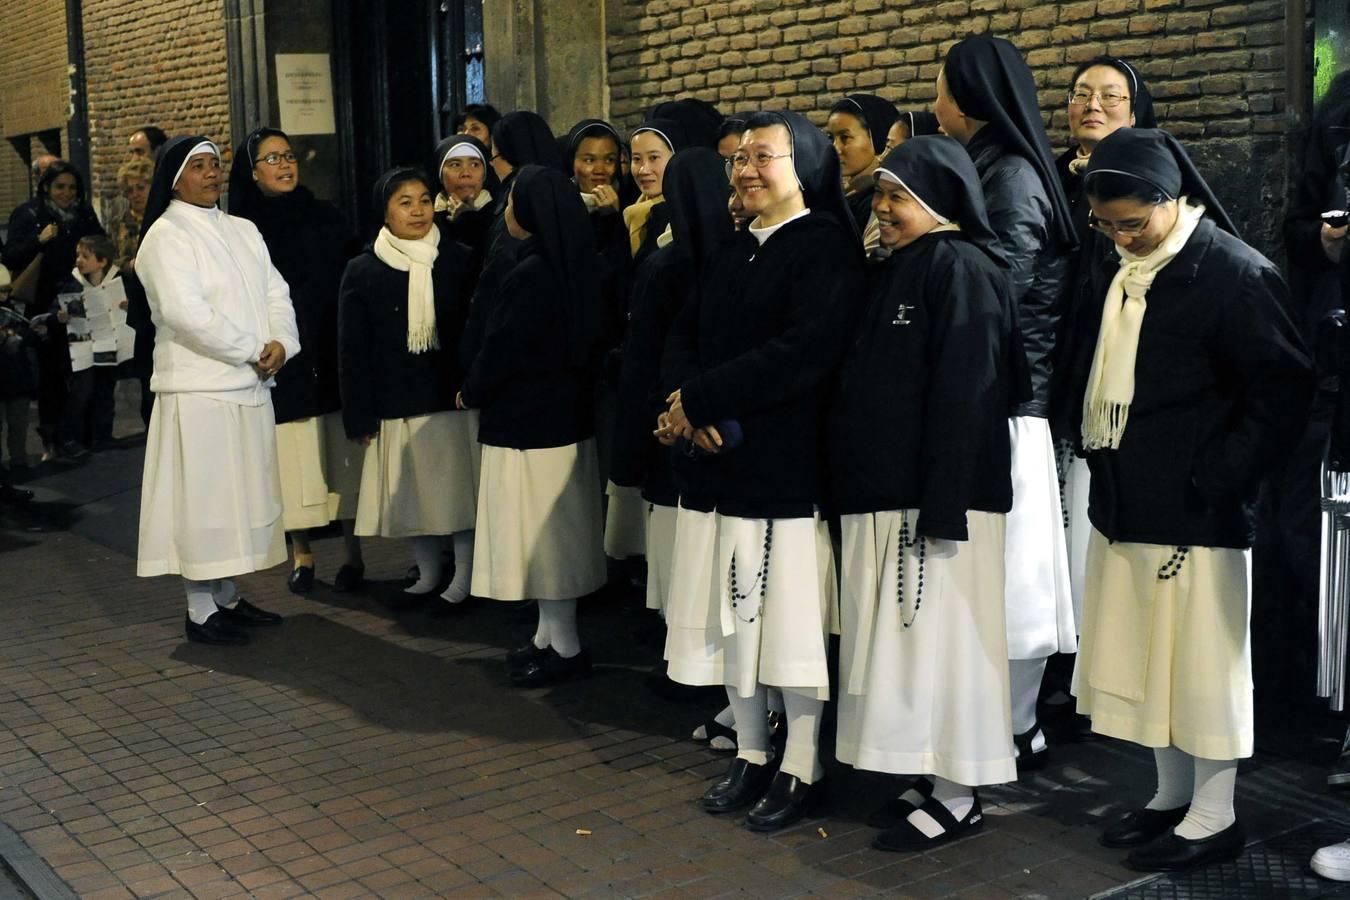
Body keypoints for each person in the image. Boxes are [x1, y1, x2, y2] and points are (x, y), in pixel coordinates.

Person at [1060, 128, 1312, 871]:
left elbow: (1284, 390)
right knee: (1148, 661)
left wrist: (1219, 477)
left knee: (1200, 667)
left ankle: (1216, 813)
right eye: (1106, 226)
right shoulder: (1128, 269)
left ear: (1176, 200)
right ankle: (1171, 795)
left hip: (1201, 511)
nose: (1120, 240)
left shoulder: (1233, 272)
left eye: (1133, 224)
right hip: (1130, 498)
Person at [659, 110, 864, 832]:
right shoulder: (733, 246)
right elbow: (683, 334)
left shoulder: (825, 249)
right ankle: (750, 750)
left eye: (762, 157)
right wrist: (685, 402)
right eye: (739, 159)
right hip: (718, 467)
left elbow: (805, 351)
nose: (745, 170)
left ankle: (802, 759)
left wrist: (705, 400)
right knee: (732, 617)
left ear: (803, 166)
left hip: (783, 467)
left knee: (789, 624)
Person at [832, 135, 1020, 852]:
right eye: (879, 196)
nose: (882, 210)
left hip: (945, 497)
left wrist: (944, 502)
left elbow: (968, 392)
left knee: (949, 647)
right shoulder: (900, 266)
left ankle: (960, 790)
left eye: (898, 198)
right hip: (893, 490)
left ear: (942, 202)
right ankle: (927, 769)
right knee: (910, 648)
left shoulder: (962, 266)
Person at [937, 33, 1078, 769]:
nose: (934, 106)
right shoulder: (996, 165)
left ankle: (1021, 722)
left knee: (1017, 577)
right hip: (992, 394)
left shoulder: (1014, 175)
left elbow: (1000, 291)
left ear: (966, 100)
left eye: (939, 89)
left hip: (1010, 401)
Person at [135, 136, 299, 646]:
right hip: (199, 390)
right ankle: (200, 609)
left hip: (249, 384)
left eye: (216, 165)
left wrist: (282, 343)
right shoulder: (166, 236)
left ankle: (226, 594)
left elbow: (276, 291)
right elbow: (187, 315)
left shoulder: (243, 229)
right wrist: (253, 346)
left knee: (238, 503)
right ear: (175, 178)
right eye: (199, 166)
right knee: (204, 504)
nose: (212, 174)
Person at [458, 165, 606, 685]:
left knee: (547, 540)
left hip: (527, 423)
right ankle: (548, 636)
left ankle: (565, 647)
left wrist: (470, 389)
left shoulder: (532, 272)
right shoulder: (569, 263)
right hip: (561, 419)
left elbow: (502, 347)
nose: (506, 209)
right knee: (553, 534)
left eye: (513, 200)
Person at [229, 127, 366, 595]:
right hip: (282, 354)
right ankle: (302, 553)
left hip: (330, 346)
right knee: (294, 454)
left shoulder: (326, 215)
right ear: (252, 172)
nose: (285, 165)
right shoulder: (241, 231)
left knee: (340, 453)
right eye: (272, 159)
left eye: (288, 155)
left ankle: (353, 553)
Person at [339, 167, 478, 607]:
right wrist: (358, 412)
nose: (418, 211)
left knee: (457, 496)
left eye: (423, 200)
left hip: (448, 397)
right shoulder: (363, 269)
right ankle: (429, 571)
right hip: (396, 399)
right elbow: (351, 348)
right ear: (385, 213)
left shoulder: (459, 258)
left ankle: (465, 578)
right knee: (414, 497)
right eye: (405, 202)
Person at [610, 147, 731, 617]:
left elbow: (645, 356)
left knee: (675, 547)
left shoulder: (666, 264)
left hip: (668, 421)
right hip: (709, 421)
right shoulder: (733, 254)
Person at [2, 161, 105, 462]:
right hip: (45, 305)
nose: (66, 193)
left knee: (82, 369)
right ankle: (52, 438)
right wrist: (39, 240)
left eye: (72, 187)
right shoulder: (30, 214)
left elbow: (101, 244)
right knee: (52, 373)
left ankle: (76, 433)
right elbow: (10, 256)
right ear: (46, 187)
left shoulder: (83, 213)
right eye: (60, 187)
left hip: (79, 298)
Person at [58, 234, 123, 458]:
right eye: (78, 255)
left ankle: (102, 435)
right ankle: (70, 438)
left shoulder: (116, 281)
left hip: (106, 342)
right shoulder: (71, 282)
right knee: (81, 392)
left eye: (85, 256)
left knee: (105, 390)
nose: (79, 260)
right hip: (82, 346)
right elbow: (56, 308)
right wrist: (61, 316)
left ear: (102, 261)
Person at [112, 156, 157, 426]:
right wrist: (127, 265)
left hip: (160, 300)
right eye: (129, 190)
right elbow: (112, 258)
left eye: (140, 187)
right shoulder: (122, 222)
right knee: (145, 375)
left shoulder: (160, 217)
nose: (135, 194)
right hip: (136, 303)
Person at [826, 93, 900, 243]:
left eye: (845, 137)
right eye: (831, 138)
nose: (835, 148)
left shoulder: (880, 204)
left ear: (879, 138)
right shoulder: (846, 196)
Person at [0, 265, 38, 480]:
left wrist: (33, 333)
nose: (4, 295)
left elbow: (26, 345)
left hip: (17, 378)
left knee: (18, 425)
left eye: (6, 290)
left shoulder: (14, 310)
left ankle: (19, 460)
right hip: (10, 376)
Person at [430, 134, 496, 256]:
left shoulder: (501, 214)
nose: (465, 173)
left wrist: (468, 220)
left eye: (474, 164)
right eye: (455, 164)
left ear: (485, 174)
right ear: (440, 174)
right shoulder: (427, 218)